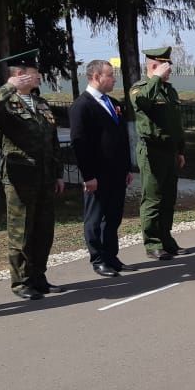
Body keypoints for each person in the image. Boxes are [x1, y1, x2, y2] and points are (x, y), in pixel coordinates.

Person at [0, 49, 66, 300]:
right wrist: (8, 87)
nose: (39, 77)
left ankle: (39, 277)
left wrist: (58, 173)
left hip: (45, 177)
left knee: (43, 230)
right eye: (35, 73)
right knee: (21, 231)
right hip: (20, 177)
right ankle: (21, 282)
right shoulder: (4, 102)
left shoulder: (41, 103)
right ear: (19, 74)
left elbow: (53, 142)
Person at [70, 59, 134, 277]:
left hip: (116, 172)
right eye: (110, 75)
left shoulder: (113, 102)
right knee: (95, 218)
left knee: (113, 216)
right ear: (96, 77)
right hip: (97, 174)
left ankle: (111, 256)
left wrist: (126, 168)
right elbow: (80, 143)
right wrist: (88, 176)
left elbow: (121, 139)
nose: (114, 78)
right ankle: (98, 259)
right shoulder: (82, 105)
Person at [132, 46, 187, 260]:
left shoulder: (169, 90)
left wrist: (180, 150)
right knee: (153, 199)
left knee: (168, 198)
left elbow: (176, 123)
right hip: (152, 151)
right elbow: (141, 102)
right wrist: (155, 78)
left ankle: (166, 240)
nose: (170, 69)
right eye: (166, 65)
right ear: (155, 65)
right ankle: (152, 243)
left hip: (170, 151)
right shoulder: (141, 87)